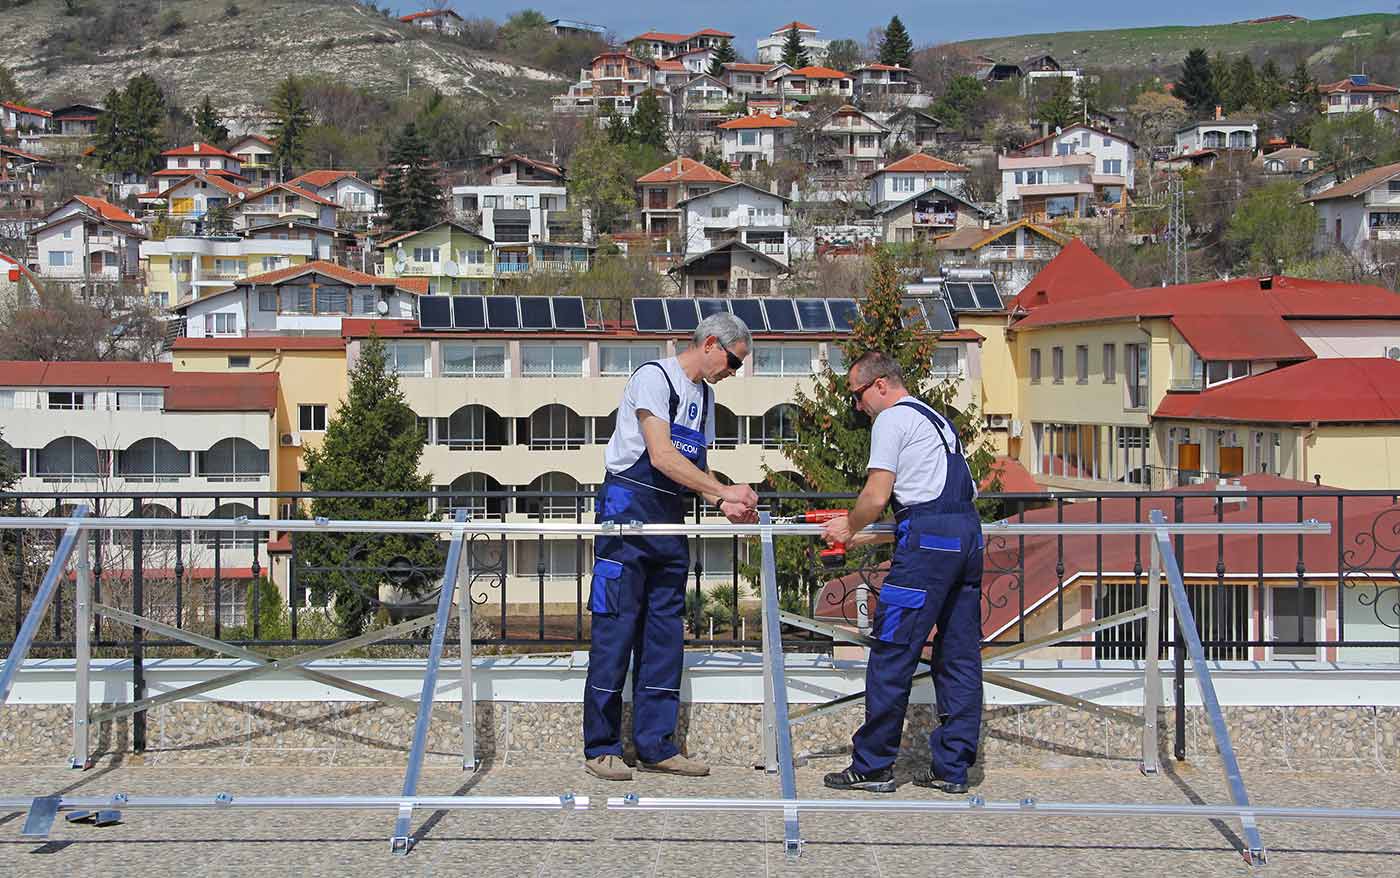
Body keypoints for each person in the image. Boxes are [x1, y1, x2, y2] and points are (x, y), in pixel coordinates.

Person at [583, 312, 759, 782]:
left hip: (669, 523)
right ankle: (601, 746)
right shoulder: (653, 378)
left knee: (664, 637)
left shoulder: (706, 397)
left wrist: (727, 502)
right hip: (626, 515)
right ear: (711, 344)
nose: (733, 372)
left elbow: (693, 471)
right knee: (615, 632)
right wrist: (722, 491)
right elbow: (660, 455)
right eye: (734, 362)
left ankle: (656, 745)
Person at [819, 351, 984, 794]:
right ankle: (953, 769)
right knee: (959, 658)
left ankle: (873, 767)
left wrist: (849, 527)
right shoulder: (936, 418)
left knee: (892, 652)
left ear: (879, 385)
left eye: (857, 395)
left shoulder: (891, 420)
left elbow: (876, 497)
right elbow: (933, 507)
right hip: (968, 538)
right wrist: (866, 534)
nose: (857, 407)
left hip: (928, 548)